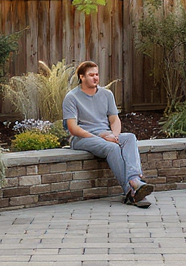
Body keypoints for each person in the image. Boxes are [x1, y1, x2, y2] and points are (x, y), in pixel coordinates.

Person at [62, 61, 155, 207]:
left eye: (97, 74)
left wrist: (115, 136)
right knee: (113, 148)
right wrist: (103, 137)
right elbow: (73, 128)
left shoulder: (107, 94)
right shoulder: (72, 97)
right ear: (82, 77)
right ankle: (130, 191)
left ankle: (135, 181)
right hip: (82, 138)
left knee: (129, 137)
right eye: (91, 75)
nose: (95, 78)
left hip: (105, 135)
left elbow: (114, 119)